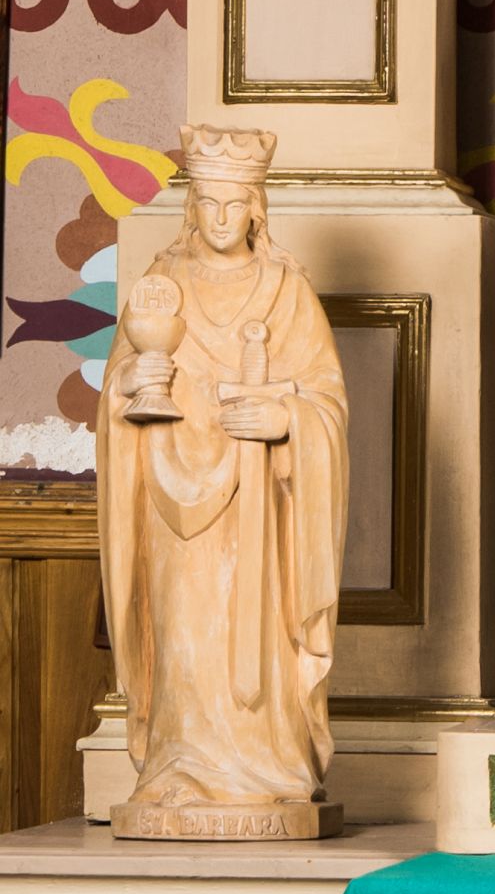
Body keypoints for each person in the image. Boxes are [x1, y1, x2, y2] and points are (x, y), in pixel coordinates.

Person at [98, 128, 348, 843]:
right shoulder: (161, 283)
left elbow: (328, 401)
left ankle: (267, 772)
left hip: (257, 503)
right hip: (170, 495)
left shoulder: (287, 290)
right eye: (207, 202)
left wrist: (287, 418)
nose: (219, 218)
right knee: (183, 631)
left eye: (235, 204)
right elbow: (117, 390)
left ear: (256, 209)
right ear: (191, 206)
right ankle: (176, 767)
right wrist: (131, 382)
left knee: (255, 632)